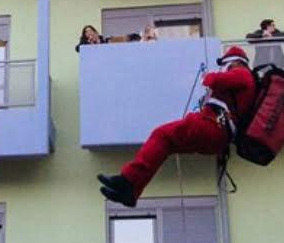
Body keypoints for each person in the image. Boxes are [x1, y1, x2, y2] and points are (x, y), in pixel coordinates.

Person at [97, 45, 257, 208]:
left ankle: (128, 183)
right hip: (215, 129)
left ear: (235, 62)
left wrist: (210, 75)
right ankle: (131, 190)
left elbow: (213, 80)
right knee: (165, 143)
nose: (224, 68)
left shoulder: (243, 74)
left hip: (213, 126)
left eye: (225, 65)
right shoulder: (241, 79)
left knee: (162, 135)